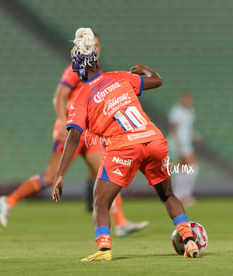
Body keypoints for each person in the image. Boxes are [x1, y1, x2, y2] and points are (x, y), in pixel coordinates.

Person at [51, 28, 199, 261]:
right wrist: (144, 68)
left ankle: (103, 250)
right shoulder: (120, 76)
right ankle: (190, 240)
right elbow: (157, 81)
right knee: (168, 194)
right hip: (153, 140)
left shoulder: (83, 95)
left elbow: (74, 135)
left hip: (124, 147)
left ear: (80, 66)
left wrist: (60, 174)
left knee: (100, 200)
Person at [0, 32, 148, 238]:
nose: (94, 48)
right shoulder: (73, 69)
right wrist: (61, 122)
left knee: (107, 172)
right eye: (91, 45)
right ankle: (8, 201)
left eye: (96, 45)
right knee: (51, 177)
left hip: (88, 133)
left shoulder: (99, 72)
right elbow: (58, 97)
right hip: (71, 130)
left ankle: (120, 223)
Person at [168, 92, 201, 205]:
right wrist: (177, 146)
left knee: (181, 169)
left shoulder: (190, 111)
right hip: (179, 143)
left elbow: (187, 128)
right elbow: (174, 129)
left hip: (186, 142)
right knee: (193, 167)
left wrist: (194, 135)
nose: (187, 101)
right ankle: (185, 194)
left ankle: (177, 195)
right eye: (185, 99)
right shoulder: (177, 111)